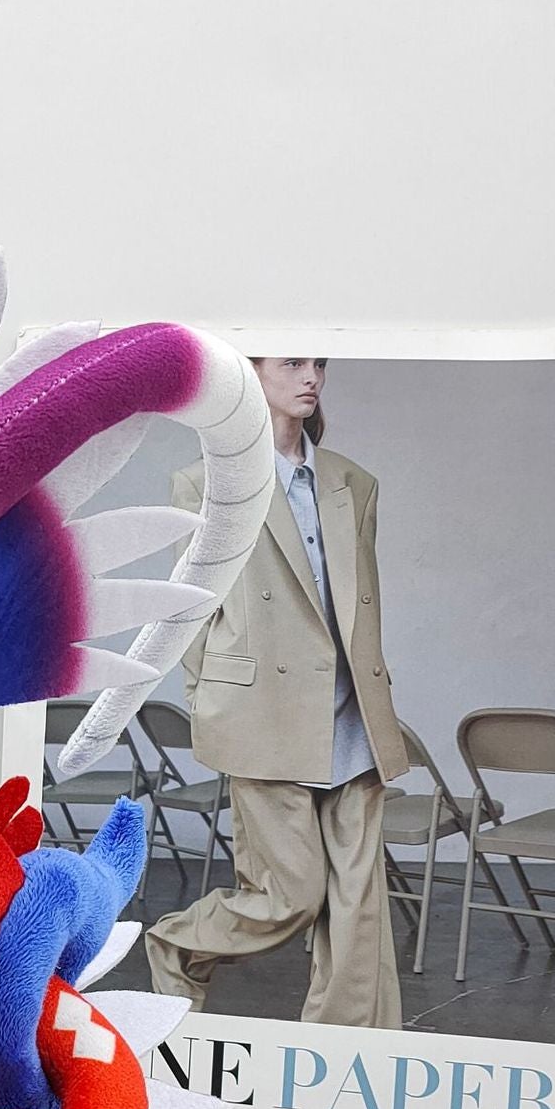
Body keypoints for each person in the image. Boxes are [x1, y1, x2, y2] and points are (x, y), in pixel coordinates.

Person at [144, 357, 409, 1028]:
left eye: (318, 363)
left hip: (352, 713)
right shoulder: (208, 485)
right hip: (263, 711)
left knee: (359, 909)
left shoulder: (353, 482)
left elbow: (360, 607)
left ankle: (344, 1051)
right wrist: (210, 699)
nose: (310, 376)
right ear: (251, 372)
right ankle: (178, 946)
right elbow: (191, 610)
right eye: (291, 362)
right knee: (287, 896)